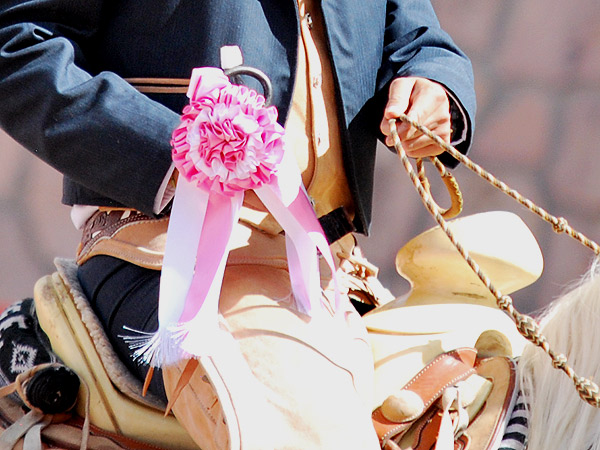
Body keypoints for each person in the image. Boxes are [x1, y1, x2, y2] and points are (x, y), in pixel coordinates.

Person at [0, 0, 475, 448]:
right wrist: (174, 150)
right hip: (161, 255)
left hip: (336, 271)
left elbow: (417, 41)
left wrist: (435, 87)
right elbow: (15, 42)